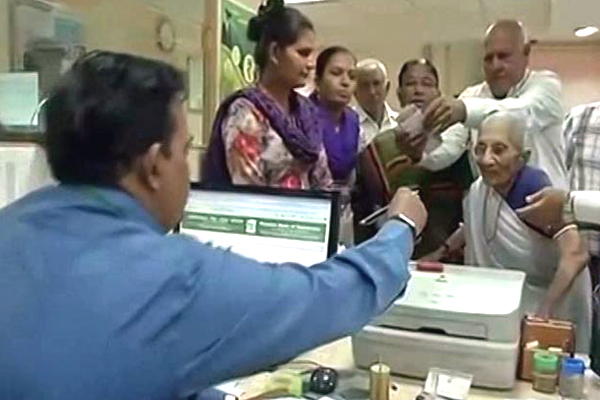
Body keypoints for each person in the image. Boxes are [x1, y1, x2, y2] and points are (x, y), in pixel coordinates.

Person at [0, 50, 428, 399]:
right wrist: (401, 227)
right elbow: (327, 299)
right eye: (184, 149)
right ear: (153, 165)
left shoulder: (11, 226)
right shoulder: (172, 279)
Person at [423, 112, 591, 352]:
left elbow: (576, 254)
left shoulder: (533, 191)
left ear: (522, 158)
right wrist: (440, 252)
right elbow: (474, 225)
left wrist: (544, 313)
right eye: (480, 148)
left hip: (553, 299)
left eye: (499, 150)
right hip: (508, 300)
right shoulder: (480, 188)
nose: (486, 159)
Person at [415, 20, 568, 189]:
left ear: (525, 53)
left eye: (503, 56)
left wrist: (464, 111)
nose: (496, 65)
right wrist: (419, 152)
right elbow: (448, 149)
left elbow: (519, 115)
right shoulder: (471, 95)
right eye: (489, 58)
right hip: (492, 206)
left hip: (546, 207)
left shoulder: (546, 86)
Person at [202, 0, 331, 189]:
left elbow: (323, 180)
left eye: (312, 54)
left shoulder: (306, 112)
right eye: (303, 53)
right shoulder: (245, 114)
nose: (311, 64)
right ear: (275, 52)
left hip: (313, 214)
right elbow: (248, 192)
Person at [353, 59, 472, 257]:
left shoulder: (456, 142)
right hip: (391, 254)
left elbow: (469, 209)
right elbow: (365, 213)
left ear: (438, 93)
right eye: (410, 84)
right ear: (399, 94)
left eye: (427, 83)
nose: (418, 90)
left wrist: (443, 251)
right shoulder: (378, 146)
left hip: (448, 255)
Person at [310, 46, 360, 245]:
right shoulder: (302, 115)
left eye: (352, 76)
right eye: (336, 73)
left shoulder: (353, 120)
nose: (345, 82)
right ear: (318, 80)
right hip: (312, 209)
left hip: (344, 210)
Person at [354, 58, 398, 151]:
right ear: (354, 91)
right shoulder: (347, 126)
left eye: (376, 83)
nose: (372, 92)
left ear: (387, 87)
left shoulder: (399, 123)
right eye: (365, 85)